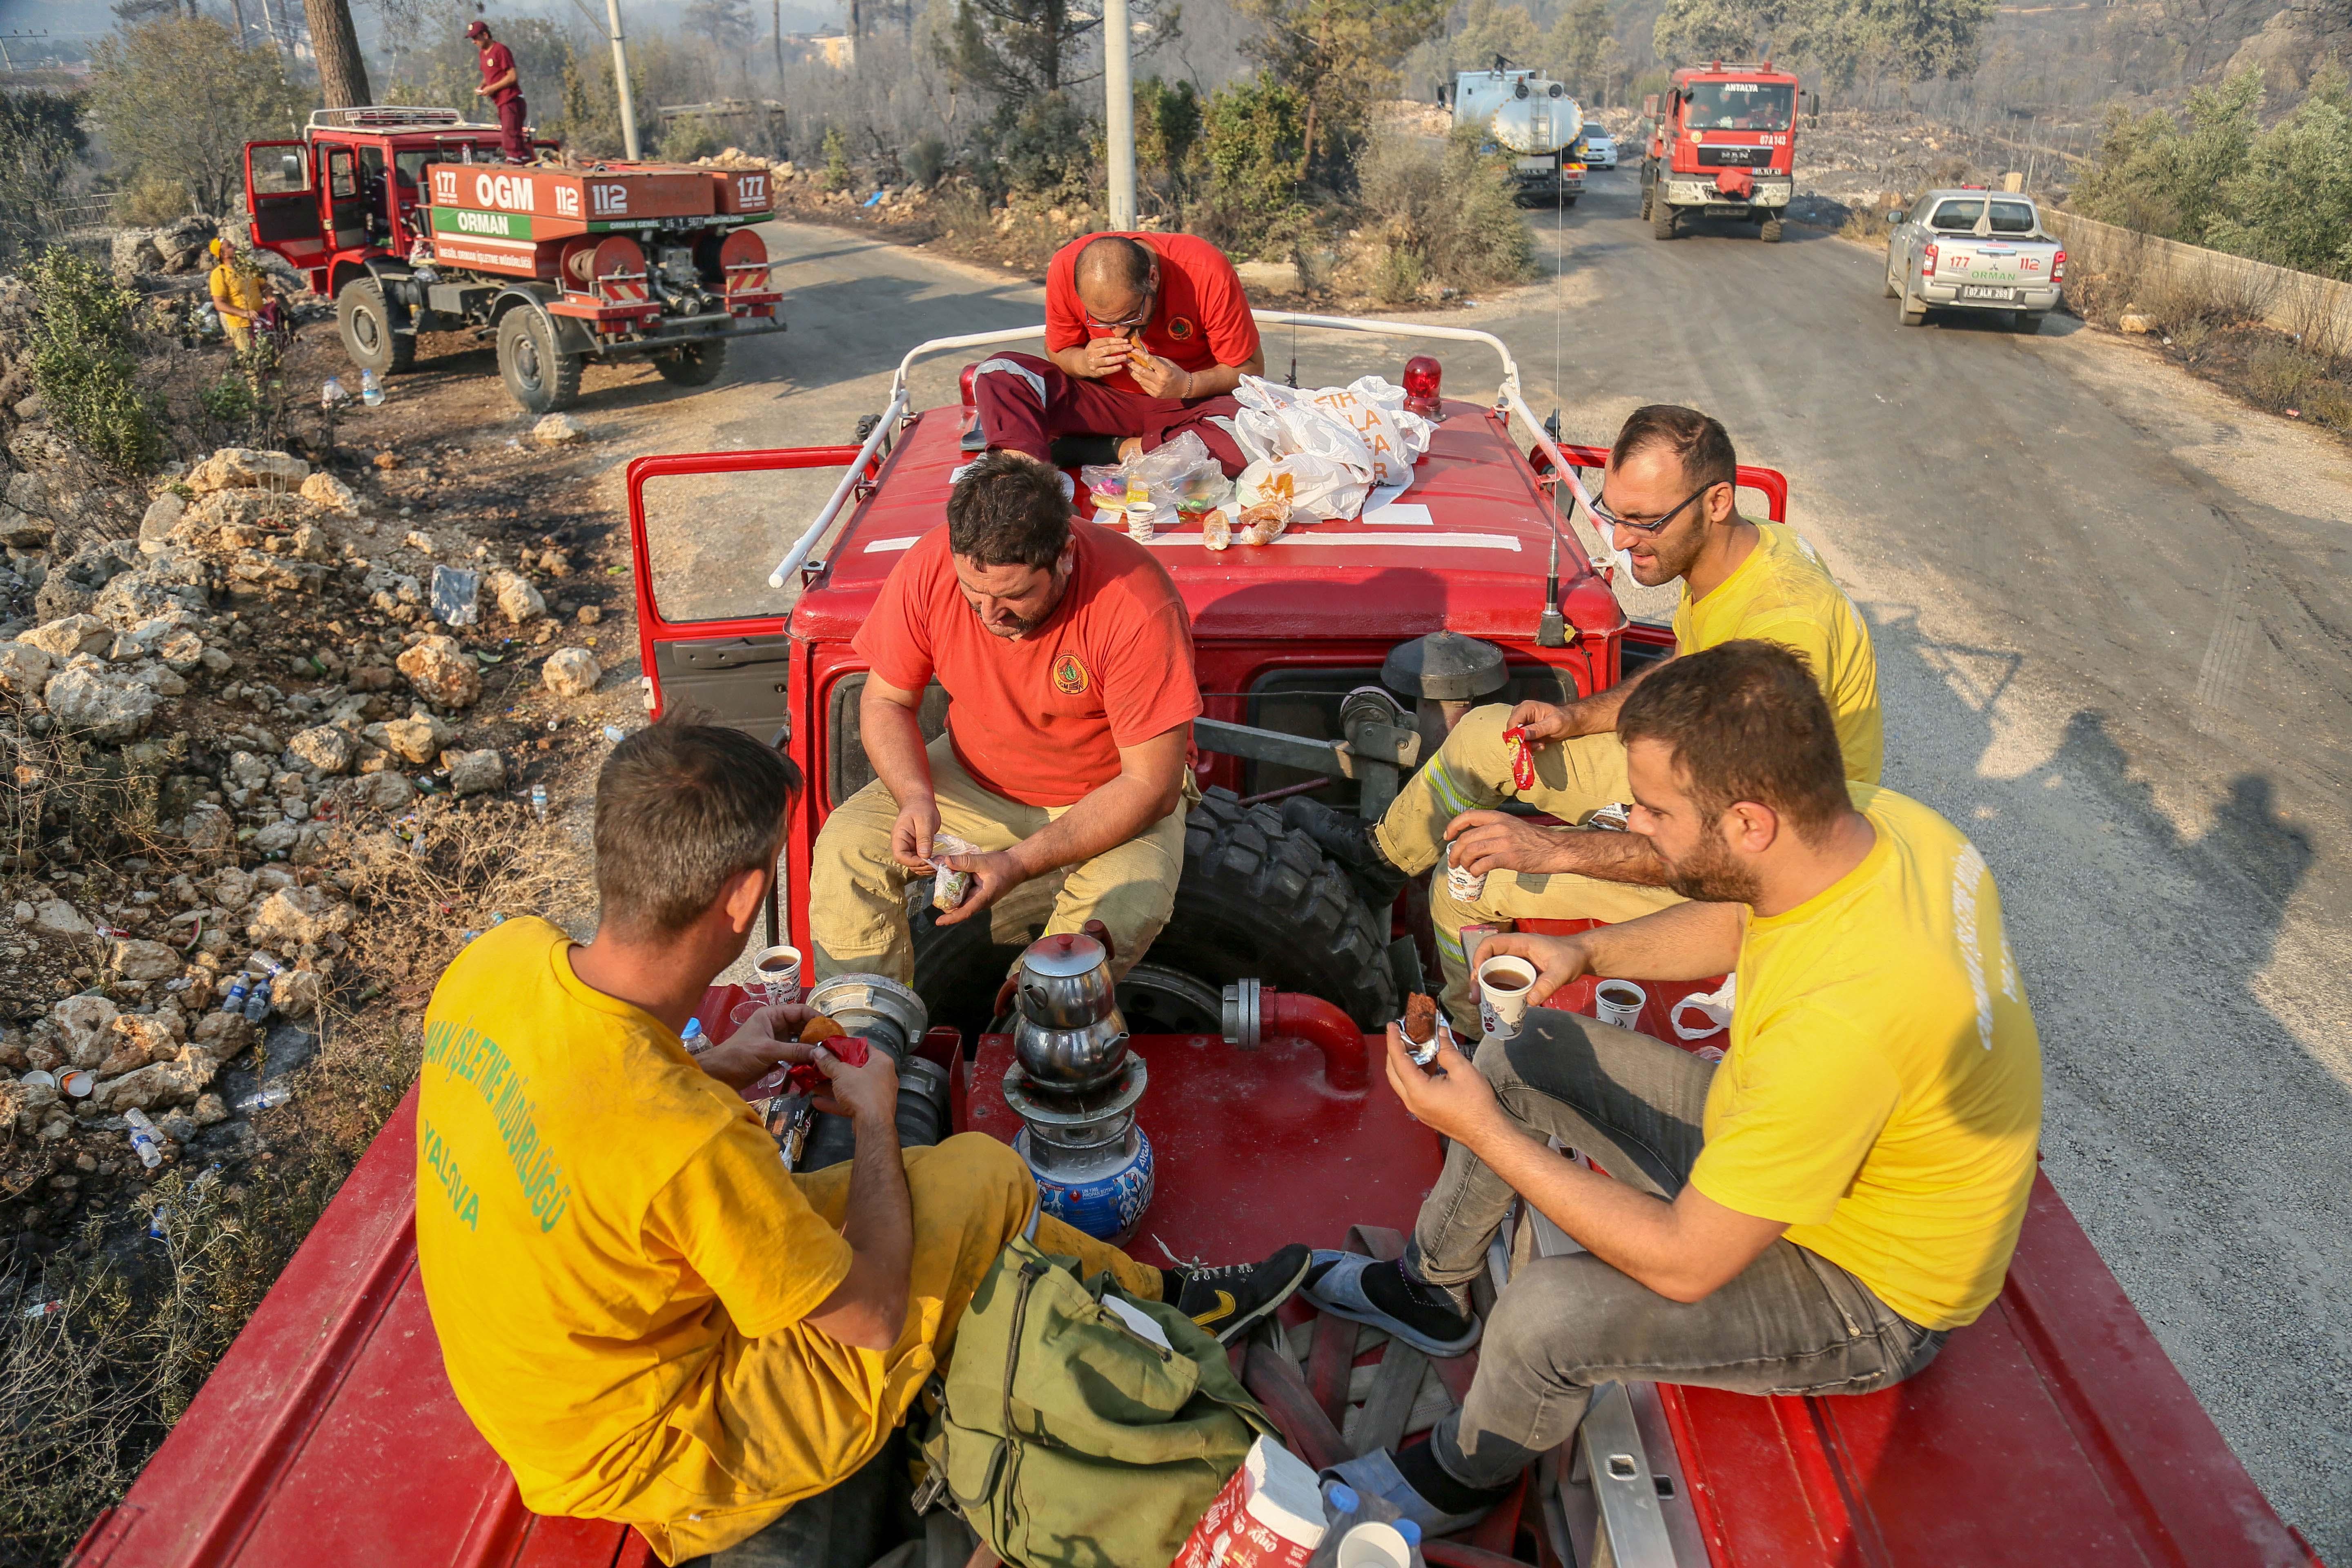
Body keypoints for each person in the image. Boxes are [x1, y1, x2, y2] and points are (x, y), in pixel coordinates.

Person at [415, 715, 1308, 1564]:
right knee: (979, 1180)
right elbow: (873, 1317)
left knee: (948, 1193)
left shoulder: (497, 961)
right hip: (655, 1453)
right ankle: (1167, 1303)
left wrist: (720, 1063)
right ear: (745, 899)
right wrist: (878, 1118)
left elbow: (586, 1107)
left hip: (542, 1380)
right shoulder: (687, 1144)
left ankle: (1151, 1299)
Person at [1304, 641, 2043, 1532]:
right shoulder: (1891, 829)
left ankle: (1470, 1471)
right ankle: (1432, 1286)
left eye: (1653, 811)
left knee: (1548, 1316)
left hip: (1867, 1285)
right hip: (1800, 1158)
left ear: (1750, 823)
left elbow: (1687, 1262)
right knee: (1525, 1051)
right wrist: (1586, 950)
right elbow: (1744, 917)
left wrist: (1484, 1134)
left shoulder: (1850, 1022)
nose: (1633, 827)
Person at [1288, 403, 1882, 1032]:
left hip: (1757, 858)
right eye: (1615, 515)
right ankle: (1382, 861)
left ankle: (1474, 1047)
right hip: (1702, 772)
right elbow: (1685, 669)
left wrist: (1548, 848)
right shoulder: (1735, 558)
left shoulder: (1785, 626)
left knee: (1466, 879)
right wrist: (1572, 719)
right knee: (1491, 734)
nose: (1621, 542)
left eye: (1644, 522)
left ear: (1717, 502)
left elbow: (1725, 850)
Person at [809, 450, 1200, 988]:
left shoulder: (1135, 601)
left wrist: (1015, 865)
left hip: (1109, 796)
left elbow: (1151, 786)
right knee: (846, 849)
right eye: (975, 596)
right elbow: (885, 703)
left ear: (1064, 554)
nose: (993, 617)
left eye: (1015, 597)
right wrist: (915, 796)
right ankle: (863, 1042)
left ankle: (1034, 1043)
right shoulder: (930, 566)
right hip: (972, 778)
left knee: (1109, 925)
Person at [971, 231, 1264, 477]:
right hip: (1106, 403)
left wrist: (1188, 384)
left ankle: (1105, 449)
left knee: (1254, 436)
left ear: (1152, 278)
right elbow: (1058, 349)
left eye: (1129, 317)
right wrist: (1082, 362)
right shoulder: (1064, 266)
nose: (1119, 334)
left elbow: (1251, 368)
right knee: (998, 373)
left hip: (1189, 406)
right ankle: (1029, 487)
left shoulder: (1205, 269)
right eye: (1101, 322)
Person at [468, 20, 529, 164]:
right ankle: (522, 159)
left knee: (510, 137)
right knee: (512, 135)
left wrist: (492, 89)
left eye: (476, 38)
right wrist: (482, 86)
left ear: (486, 35)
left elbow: (512, 77)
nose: (474, 42)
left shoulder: (501, 50)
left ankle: (515, 162)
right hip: (501, 102)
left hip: (511, 100)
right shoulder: (483, 54)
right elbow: (489, 75)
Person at [206, 238, 270, 357]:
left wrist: (270, 297)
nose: (235, 246)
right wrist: (245, 313)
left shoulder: (248, 266)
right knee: (251, 360)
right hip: (241, 327)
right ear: (223, 254)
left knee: (270, 355)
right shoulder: (219, 274)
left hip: (262, 320)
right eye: (230, 246)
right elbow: (219, 304)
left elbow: (264, 286)